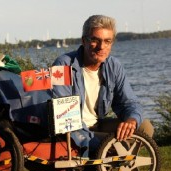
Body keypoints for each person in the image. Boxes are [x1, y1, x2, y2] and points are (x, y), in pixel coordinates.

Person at [52, 15, 154, 144]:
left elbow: (129, 103)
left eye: (107, 41)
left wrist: (131, 120)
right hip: (72, 131)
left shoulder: (114, 66)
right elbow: (63, 115)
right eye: (95, 40)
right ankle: (109, 155)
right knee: (112, 144)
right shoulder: (62, 65)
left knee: (144, 127)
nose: (101, 47)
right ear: (84, 41)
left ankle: (114, 156)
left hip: (98, 125)